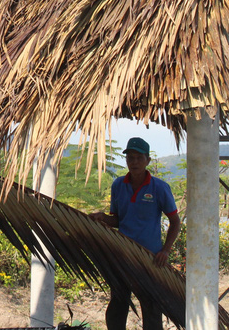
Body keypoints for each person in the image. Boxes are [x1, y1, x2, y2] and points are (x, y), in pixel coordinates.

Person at [90, 137, 181, 330]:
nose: (134, 162)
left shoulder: (160, 188)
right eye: (130, 158)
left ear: (148, 160)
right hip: (122, 253)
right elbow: (118, 220)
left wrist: (165, 251)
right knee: (118, 303)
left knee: (151, 306)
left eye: (139, 158)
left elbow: (175, 222)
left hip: (150, 258)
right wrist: (104, 218)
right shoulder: (118, 186)